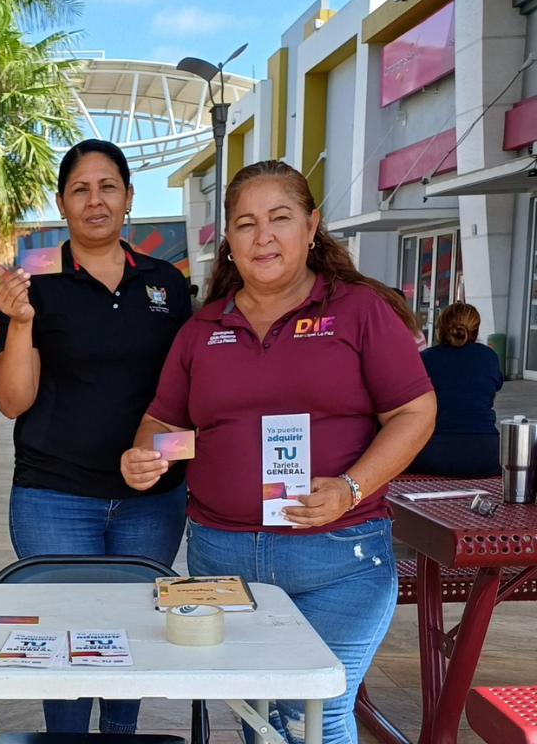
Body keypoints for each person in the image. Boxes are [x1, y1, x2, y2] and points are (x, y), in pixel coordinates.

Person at [120, 160, 436, 744]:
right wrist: (148, 455)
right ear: (229, 242)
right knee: (257, 717)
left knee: (312, 711)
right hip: (222, 557)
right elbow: (175, 424)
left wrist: (351, 487)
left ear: (311, 225)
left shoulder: (360, 311)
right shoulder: (201, 329)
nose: (263, 235)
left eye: (280, 218)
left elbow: (415, 413)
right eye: (245, 223)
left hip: (337, 560)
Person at [0, 139, 192, 735]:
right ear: (61, 202)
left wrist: (165, 457)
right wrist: (21, 322)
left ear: (129, 198)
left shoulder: (166, 282)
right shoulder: (30, 280)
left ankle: (120, 734)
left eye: (108, 187)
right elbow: (11, 401)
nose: (95, 200)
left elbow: (185, 394)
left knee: (132, 629)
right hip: (54, 495)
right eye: (80, 188)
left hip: (152, 500)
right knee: (67, 635)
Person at [409, 302, 503, 477]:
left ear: (440, 328)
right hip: (487, 456)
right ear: (475, 330)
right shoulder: (488, 356)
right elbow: (492, 394)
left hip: (430, 455)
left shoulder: (424, 359)